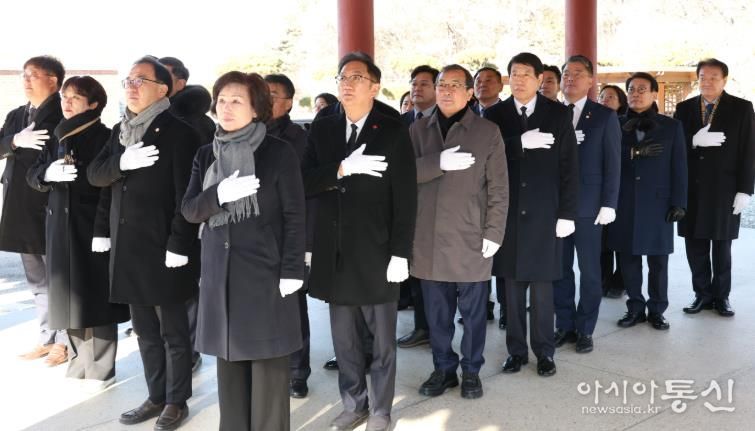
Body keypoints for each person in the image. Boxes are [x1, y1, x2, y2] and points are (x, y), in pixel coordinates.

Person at [182, 71, 305, 431]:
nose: (226, 107)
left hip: (266, 273)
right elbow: (190, 210)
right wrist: (218, 195)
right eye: (221, 100)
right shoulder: (206, 153)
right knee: (230, 362)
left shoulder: (278, 152)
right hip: (220, 273)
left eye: (237, 100)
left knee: (268, 365)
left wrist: (292, 270)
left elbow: (295, 215)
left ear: (256, 108)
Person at [302, 51, 416, 431]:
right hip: (335, 252)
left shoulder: (392, 128)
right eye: (342, 78)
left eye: (356, 78)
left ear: (374, 86)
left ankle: (381, 410)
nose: (347, 84)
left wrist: (401, 252)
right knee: (345, 340)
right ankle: (354, 404)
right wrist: (340, 169)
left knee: (382, 342)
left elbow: (406, 197)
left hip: (377, 250)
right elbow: (303, 181)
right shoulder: (323, 127)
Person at [88, 56, 201, 430]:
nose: (131, 87)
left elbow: (187, 196)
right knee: (146, 332)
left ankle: (176, 401)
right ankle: (156, 395)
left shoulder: (180, 133)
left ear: (162, 89)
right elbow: (97, 176)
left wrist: (180, 244)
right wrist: (122, 162)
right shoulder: (120, 132)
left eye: (140, 80)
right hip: (129, 250)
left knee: (173, 333)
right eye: (128, 80)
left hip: (165, 249)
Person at [411, 64, 508, 400]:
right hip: (428, 239)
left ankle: (471, 371)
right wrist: (436, 163)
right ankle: (443, 369)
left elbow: (499, 188)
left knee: (473, 314)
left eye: (455, 85)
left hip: (470, 237)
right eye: (442, 84)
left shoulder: (487, 131)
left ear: (469, 93)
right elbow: (402, 176)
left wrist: (494, 232)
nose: (447, 91)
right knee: (437, 315)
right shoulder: (417, 130)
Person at [26, 76, 130, 388]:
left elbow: (110, 185)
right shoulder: (57, 136)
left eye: (75, 97)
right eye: (64, 96)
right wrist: (47, 173)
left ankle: (100, 368)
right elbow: (33, 174)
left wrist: (104, 229)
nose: (67, 102)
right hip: (60, 225)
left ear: (94, 103)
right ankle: (78, 363)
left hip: (92, 225)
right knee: (67, 296)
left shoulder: (106, 136)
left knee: (95, 295)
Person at [484, 52, 579, 377]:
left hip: (545, 214)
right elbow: (486, 157)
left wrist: (567, 213)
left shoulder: (558, 113)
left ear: (540, 79)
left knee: (542, 290)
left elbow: (569, 166)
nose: (520, 79)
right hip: (507, 214)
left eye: (526, 74)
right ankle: (516, 352)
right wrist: (518, 143)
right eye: (514, 73)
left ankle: (544, 352)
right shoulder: (494, 114)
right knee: (510, 289)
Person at [606, 72, 687, 331]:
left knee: (658, 262)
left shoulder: (671, 126)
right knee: (628, 260)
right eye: (631, 89)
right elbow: (606, 159)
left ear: (654, 93)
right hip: (623, 202)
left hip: (658, 204)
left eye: (642, 89)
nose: (636, 94)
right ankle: (635, 308)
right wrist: (634, 151)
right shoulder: (614, 123)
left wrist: (679, 202)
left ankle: (657, 310)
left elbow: (679, 166)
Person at [0, 55, 67, 366]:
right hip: (19, 203)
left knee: (59, 277)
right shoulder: (17, 114)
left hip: (48, 203)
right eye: (24, 75)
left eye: (33, 75)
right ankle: (46, 336)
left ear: (53, 80)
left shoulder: (62, 112)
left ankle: (64, 340)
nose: (26, 81)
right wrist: (14, 140)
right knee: (37, 278)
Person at [675, 58, 755, 317]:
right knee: (695, 244)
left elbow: (749, 150)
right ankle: (701, 294)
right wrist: (693, 141)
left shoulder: (742, 108)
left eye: (713, 77)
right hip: (692, 189)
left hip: (724, 189)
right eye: (702, 77)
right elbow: (675, 147)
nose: (707, 82)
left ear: (724, 80)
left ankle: (722, 296)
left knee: (722, 245)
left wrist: (745, 189)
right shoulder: (684, 108)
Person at [552, 55, 621, 354]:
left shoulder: (604, 116)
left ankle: (585, 328)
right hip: (555, 206)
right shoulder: (551, 113)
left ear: (591, 80)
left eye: (578, 73)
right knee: (559, 270)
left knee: (590, 271)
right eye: (566, 73)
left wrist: (609, 203)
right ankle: (564, 325)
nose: (570, 78)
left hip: (589, 208)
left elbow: (613, 164)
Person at [159, 55, 214, 374]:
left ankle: (189, 349)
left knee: (186, 285)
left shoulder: (195, 122)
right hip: (159, 216)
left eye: (163, 75)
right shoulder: (159, 116)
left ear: (180, 82)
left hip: (189, 214)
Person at [264, 73, 313, 399]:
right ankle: (268, 369)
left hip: (288, 234)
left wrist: (306, 245)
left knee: (293, 306)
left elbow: (305, 192)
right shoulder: (244, 132)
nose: (265, 100)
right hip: (255, 237)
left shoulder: (299, 138)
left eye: (272, 95)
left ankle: (297, 372)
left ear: (288, 102)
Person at [396, 64, 439, 350]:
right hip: (405, 204)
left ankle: (435, 327)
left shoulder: (444, 120)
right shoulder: (399, 122)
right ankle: (422, 326)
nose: (417, 88)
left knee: (433, 274)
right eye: (414, 83)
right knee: (414, 269)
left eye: (424, 83)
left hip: (436, 205)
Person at [598, 84, 629, 298]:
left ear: (620, 103)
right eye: (602, 96)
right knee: (603, 242)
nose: (605, 100)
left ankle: (620, 281)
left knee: (621, 239)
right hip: (600, 190)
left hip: (623, 189)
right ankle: (604, 279)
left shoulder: (626, 123)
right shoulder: (594, 120)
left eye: (611, 97)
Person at [159, 56, 215, 145]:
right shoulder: (152, 114)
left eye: (162, 77)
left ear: (180, 84)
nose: (153, 81)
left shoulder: (195, 126)